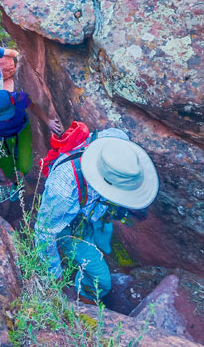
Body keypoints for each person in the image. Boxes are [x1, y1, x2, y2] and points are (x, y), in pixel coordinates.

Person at [34, 129, 158, 304]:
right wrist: (54, 274)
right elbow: (44, 232)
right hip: (71, 226)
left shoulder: (117, 141)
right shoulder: (64, 187)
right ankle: (83, 302)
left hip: (95, 213)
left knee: (105, 245)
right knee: (101, 280)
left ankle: (106, 256)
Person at [0, 88, 62, 182]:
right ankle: (14, 184)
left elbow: (34, 107)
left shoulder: (21, 98)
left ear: (12, 102)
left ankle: (23, 175)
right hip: (0, 135)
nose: (6, 119)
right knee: (6, 166)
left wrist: (48, 121)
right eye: (2, 115)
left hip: (21, 130)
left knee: (25, 163)